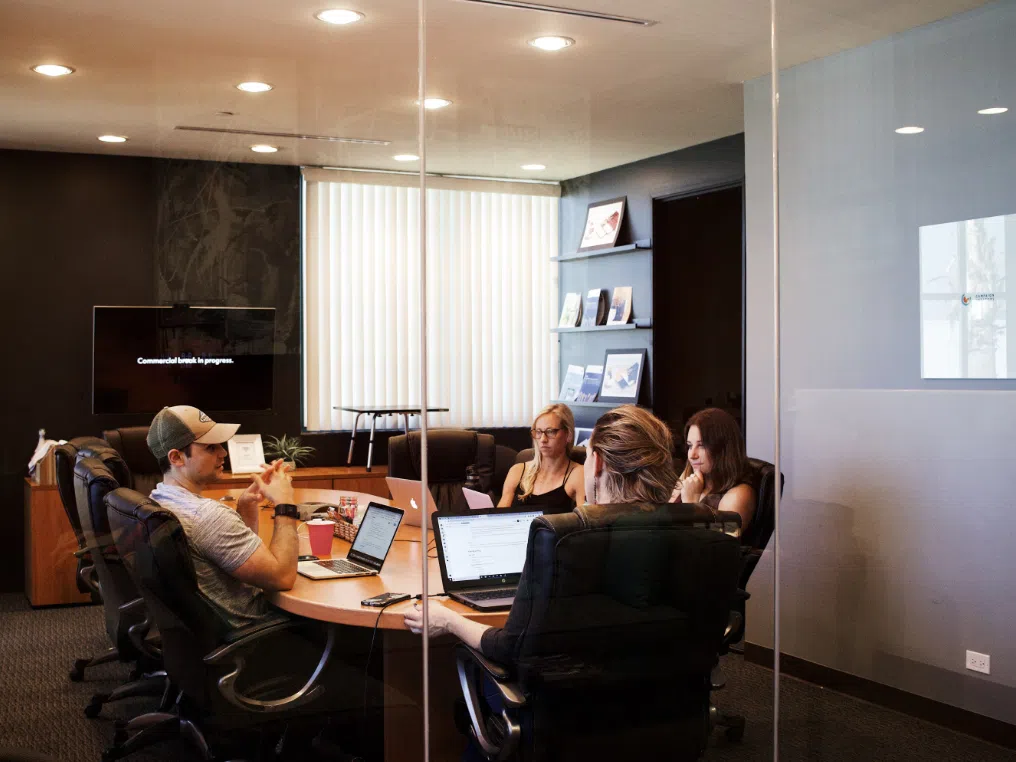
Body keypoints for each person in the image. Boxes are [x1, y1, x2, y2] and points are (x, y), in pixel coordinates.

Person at [405, 403, 676, 672]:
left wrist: (449, 620)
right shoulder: (697, 534)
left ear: (598, 465)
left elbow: (510, 647)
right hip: (673, 698)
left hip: (570, 702)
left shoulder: (565, 548)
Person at [146, 405, 301, 629]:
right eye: (210, 448)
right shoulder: (207, 516)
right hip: (257, 633)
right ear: (177, 457)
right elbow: (282, 578)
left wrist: (246, 507)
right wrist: (285, 504)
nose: (223, 453)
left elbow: (231, 557)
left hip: (203, 635)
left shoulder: (158, 497)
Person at [672, 407, 756, 532]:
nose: (692, 455)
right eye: (690, 446)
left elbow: (716, 543)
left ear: (723, 448)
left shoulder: (739, 494)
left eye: (702, 446)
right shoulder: (692, 476)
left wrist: (690, 504)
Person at [497, 403, 585, 513]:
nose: (543, 439)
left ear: (568, 435)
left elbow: (587, 522)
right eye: (538, 432)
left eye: (550, 431)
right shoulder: (517, 471)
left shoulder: (578, 474)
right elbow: (499, 518)